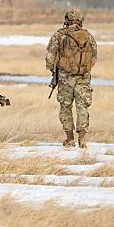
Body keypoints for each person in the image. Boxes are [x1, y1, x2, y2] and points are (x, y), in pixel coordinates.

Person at [45, 9, 97, 148]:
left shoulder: (59, 35)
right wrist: (83, 70)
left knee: (65, 107)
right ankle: (82, 139)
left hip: (65, 78)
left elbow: (50, 58)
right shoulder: (88, 36)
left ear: (67, 19)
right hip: (83, 78)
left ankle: (69, 139)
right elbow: (94, 57)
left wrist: (56, 71)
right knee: (82, 107)